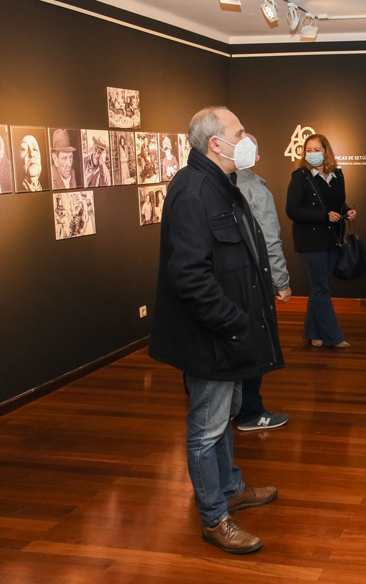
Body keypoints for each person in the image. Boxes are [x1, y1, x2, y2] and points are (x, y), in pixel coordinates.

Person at [149, 106, 282, 554]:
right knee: (207, 427)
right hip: (211, 338)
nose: (248, 138)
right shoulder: (192, 192)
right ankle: (213, 517)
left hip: (231, 335)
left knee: (226, 416)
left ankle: (230, 488)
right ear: (216, 144)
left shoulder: (222, 185)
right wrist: (233, 322)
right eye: (240, 132)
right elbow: (189, 275)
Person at [235, 136, 292, 431]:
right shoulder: (256, 190)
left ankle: (233, 407)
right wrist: (281, 282)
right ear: (256, 157)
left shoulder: (214, 185)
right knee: (255, 345)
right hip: (253, 283)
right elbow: (269, 241)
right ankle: (250, 412)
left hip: (226, 283)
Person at [285, 133, 355, 349]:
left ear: (326, 151)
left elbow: (338, 202)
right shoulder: (300, 177)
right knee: (321, 288)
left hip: (332, 239)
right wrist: (323, 217)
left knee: (319, 288)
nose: (313, 154)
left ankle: (313, 332)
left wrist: (347, 210)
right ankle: (332, 336)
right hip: (310, 241)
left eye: (317, 149)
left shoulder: (337, 175)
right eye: (309, 150)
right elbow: (292, 210)